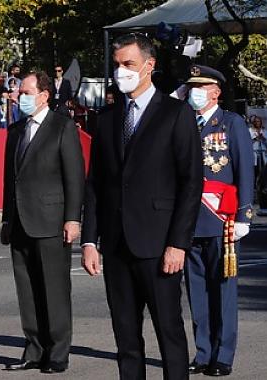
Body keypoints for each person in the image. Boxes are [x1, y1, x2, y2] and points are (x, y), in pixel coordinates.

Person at [81, 34, 202, 380]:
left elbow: (190, 183)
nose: (121, 72)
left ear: (149, 66)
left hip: (159, 243)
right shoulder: (106, 118)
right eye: (117, 65)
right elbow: (96, 184)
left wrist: (178, 243)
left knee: (169, 332)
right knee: (126, 338)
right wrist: (90, 240)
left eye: (129, 64)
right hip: (117, 245)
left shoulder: (175, 114)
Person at [0, 71, 84, 374]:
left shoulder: (62, 127)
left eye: (26, 91)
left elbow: (74, 177)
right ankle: (33, 349)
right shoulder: (16, 130)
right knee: (27, 289)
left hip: (50, 221)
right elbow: (10, 179)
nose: (19, 96)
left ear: (44, 95)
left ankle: (58, 352)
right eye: (19, 91)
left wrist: (73, 218)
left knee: (54, 289)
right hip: (20, 221)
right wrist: (7, 219)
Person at [184, 65, 253, 377]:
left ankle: (223, 355)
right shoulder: (185, 123)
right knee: (197, 290)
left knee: (222, 290)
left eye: (201, 86)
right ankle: (203, 351)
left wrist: (244, 215)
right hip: (189, 220)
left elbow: (245, 170)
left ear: (216, 91)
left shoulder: (230, 123)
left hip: (221, 217)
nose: (194, 91)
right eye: (191, 86)